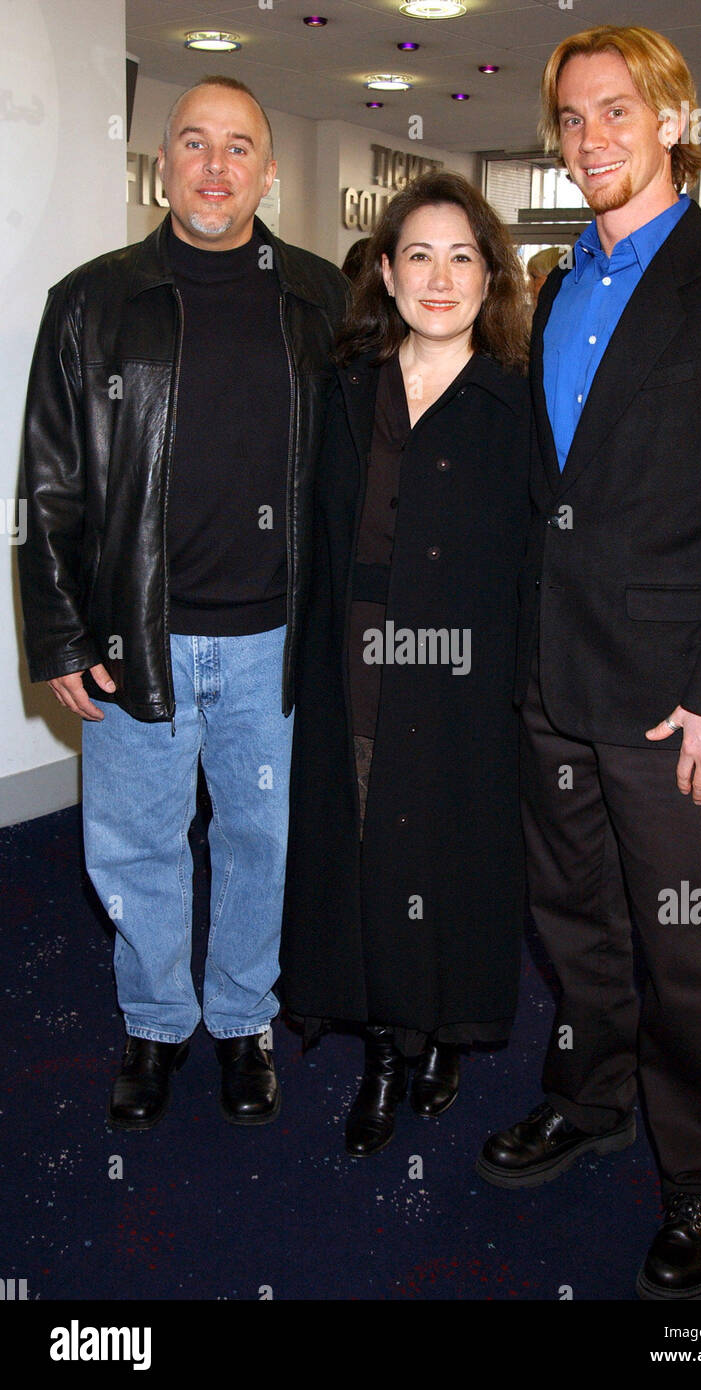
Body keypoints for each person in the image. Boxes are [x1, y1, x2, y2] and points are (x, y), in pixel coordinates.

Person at [476, 25, 701, 1300]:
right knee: (574, 931)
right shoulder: (560, 285)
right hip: (555, 684)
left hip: (680, 700)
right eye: (571, 118)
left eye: (616, 112)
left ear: (674, 120)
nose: (591, 139)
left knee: (689, 949)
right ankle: (591, 1098)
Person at [18, 76, 348, 1131]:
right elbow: (51, 479)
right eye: (194, 143)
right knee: (134, 847)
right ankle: (155, 1025)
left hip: (277, 643)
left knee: (263, 843)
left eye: (237, 146)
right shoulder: (91, 299)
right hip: (135, 641)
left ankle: (244, 1022)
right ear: (162, 161)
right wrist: (59, 630)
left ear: (269, 170)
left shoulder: (320, 298)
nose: (215, 166)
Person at [280, 171, 532, 1156]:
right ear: (383, 272)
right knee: (368, 850)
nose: (439, 276)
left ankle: (444, 1034)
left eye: (461, 255)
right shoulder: (342, 390)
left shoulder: (519, 402)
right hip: (358, 662)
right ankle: (385, 1046)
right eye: (417, 254)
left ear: (489, 276)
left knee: (453, 856)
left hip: (469, 676)